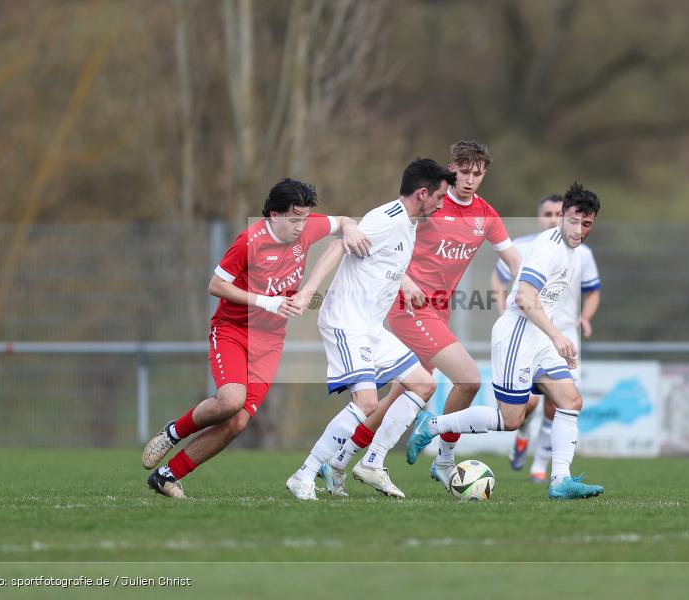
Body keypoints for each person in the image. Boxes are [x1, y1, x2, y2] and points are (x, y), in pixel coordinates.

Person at [142, 178, 371, 498]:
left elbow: (344, 222)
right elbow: (216, 286)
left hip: (270, 341)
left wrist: (350, 228)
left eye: (304, 218)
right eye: (294, 219)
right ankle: (172, 432)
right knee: (231, 400)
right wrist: (266, 301)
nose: (300, 226)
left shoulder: (307, 227)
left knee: (237, 423)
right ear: (274, 215)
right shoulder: (249, 241)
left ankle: (167, 476)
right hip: (232, 331)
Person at [320, 140, 520, 495]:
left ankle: (341, 459)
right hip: (408, 307)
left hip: (438, 312)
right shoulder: (430, 205)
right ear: (452, 168)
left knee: (404, 393)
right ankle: (439, 459)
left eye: (478, 173)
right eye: (464, 171)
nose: (470, 179)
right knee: (469, 379)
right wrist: (407, 281)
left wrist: (529, 291)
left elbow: (514, 261)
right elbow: (391, 245)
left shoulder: (486, 215)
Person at [407, 182, 604, 500]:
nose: (579, 229)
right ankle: (432, 425)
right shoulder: (550, 248)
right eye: (574, 220)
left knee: (570, 401)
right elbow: (525, 298)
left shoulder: (574, 250)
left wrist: (554, 339)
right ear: (563, 215)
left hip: (539, 337)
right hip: (518, 335)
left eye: (587, 223)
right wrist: (557, 336)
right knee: (511, 420)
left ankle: (560, 481)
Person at [285, 158, 456, 500]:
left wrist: (406, 284)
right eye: (439, 196)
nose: (441, 203)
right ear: (422, 193)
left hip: (370, 327)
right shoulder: (387, 220)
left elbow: (381, 258)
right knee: (366, 403)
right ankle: (304, 474)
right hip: (346, 322)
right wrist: (307, 292)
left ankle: (371, 463)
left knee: (424, 384)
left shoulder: (408, 224)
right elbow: (337, 245)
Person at [491, 194, 601, 482]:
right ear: (542, 217)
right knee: (520, 411)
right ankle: (520, 434)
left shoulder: (580, 251)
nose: (554, 219)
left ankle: (548, 472)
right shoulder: (531, 247)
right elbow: (512, 286)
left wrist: (584, 318)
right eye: (550, 214)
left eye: (585, 223)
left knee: (566, 402)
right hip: (531, 331)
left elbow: (593, 291)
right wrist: (504, 308)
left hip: (557, 335)